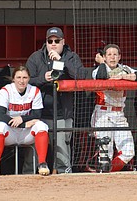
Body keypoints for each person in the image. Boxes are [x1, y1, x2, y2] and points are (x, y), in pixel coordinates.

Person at [26, 27, 87, 174]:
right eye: (50, 41)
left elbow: (81, 76)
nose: (53, 44)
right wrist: (43, 78)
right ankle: (28, 176)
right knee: (34, 150)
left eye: (57, 41)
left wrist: (62, 62)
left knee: (61, 150)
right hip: (39, 113)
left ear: (63, 42)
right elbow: (25, 80)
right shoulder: (36, 57)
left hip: (63, 112)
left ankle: (64, 178)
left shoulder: (71, 57)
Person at [0, 66, 50, 176]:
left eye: (25, 77)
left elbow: (37, 114)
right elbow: (0, 115)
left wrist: (22, 119)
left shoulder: (34, 91)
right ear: (13, 79)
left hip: (27, 133)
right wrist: (23, 123)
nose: (22, 81)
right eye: (19, 77)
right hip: (10, 131)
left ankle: (42, 164)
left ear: (29, 78)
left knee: (41, 126)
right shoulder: (5, 90)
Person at [91, 44, 137, 172]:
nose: (112, 57)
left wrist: (123, 76)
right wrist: (102, 63)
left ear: (119, 57)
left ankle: (110, 172)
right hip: (103, 113)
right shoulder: (98, 69)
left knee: (129, 151)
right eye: (109, 55)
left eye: (115, 54)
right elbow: (102, 76)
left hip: (119, 115)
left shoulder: (124, 68)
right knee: (105, 154)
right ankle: (104, 178)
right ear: (104, 57)